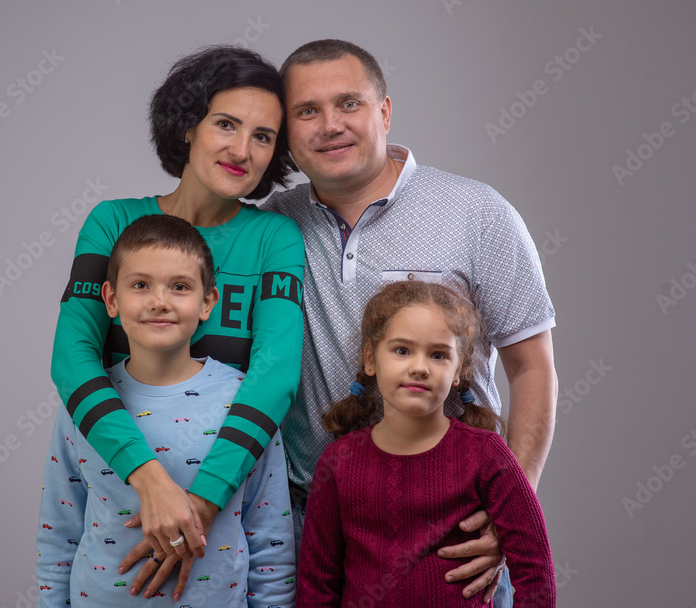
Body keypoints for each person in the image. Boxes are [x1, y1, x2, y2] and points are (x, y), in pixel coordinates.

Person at [262, 39, 557, 605]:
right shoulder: (274, 226)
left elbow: (532, 367)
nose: (330, 126)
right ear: (287, 130)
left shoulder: (477, 213)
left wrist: (507, 513)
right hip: (312, 527)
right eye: (307, 111)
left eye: (348, 103)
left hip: (452, 539)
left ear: (385, 112)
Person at [49, 46, 305, 594]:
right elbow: (72, 358)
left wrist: (202, 503)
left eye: (263, 136)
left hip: (226, 527)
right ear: (188, 126)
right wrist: (152, 485)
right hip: (116, 520)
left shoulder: (275, 239)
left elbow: (276, 375)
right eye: (226, 124)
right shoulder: (113, 222)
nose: (243, 149)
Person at [37, 215, 295, 606]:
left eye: (180, 287)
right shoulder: (84, 406)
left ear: (208, 301)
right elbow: (59, 530)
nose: (159, 301)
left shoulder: (246, 404)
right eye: (140, 285)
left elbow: (269, 538)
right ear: (110, 299)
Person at [296, 281, 555, 607]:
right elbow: (316, 587)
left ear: (459, 369)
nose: (419, 367)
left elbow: (536, 571)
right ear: (370, 359)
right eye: (402, 350)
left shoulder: (486, 454)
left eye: (437, 355)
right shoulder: (339, 462)